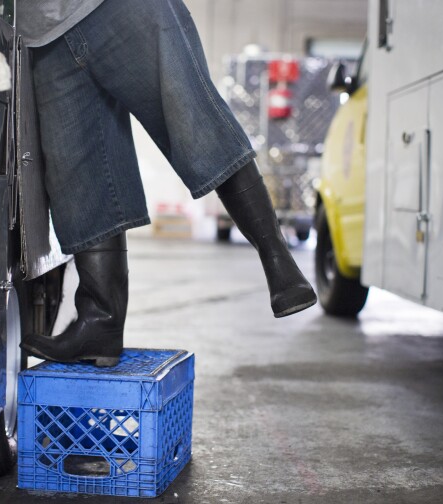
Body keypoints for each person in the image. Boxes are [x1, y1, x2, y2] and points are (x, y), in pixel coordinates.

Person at [16, 0, 317, 367]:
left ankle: (279, 262)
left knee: (192, 118)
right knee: (79, 176)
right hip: (42, 33)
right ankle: (101, 324)